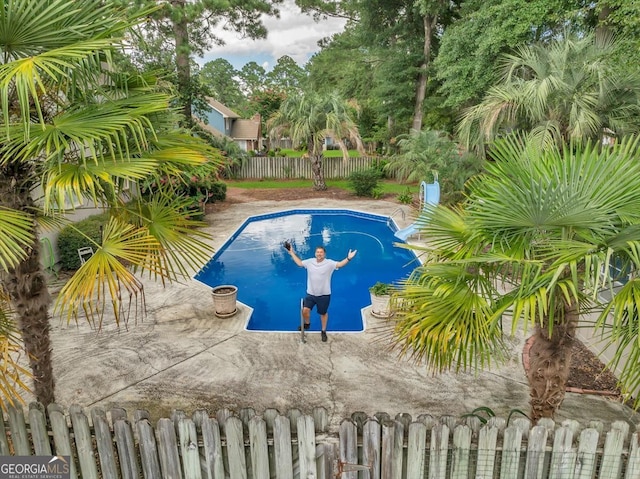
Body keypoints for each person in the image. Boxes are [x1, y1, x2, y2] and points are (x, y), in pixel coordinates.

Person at [284, 242, 357, 342]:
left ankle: (323, 331)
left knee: (323, 314)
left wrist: (348, 258)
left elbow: (340, 264)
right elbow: (300, 263)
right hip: (311, 294)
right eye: (317, 252)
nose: (319, 254)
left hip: (324, 295)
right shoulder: (310, 262)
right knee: (305, 310)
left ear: (324, 254)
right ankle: (307, 324)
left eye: (321, 252)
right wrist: (291, 252)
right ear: (315, 253)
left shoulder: (329, 263)